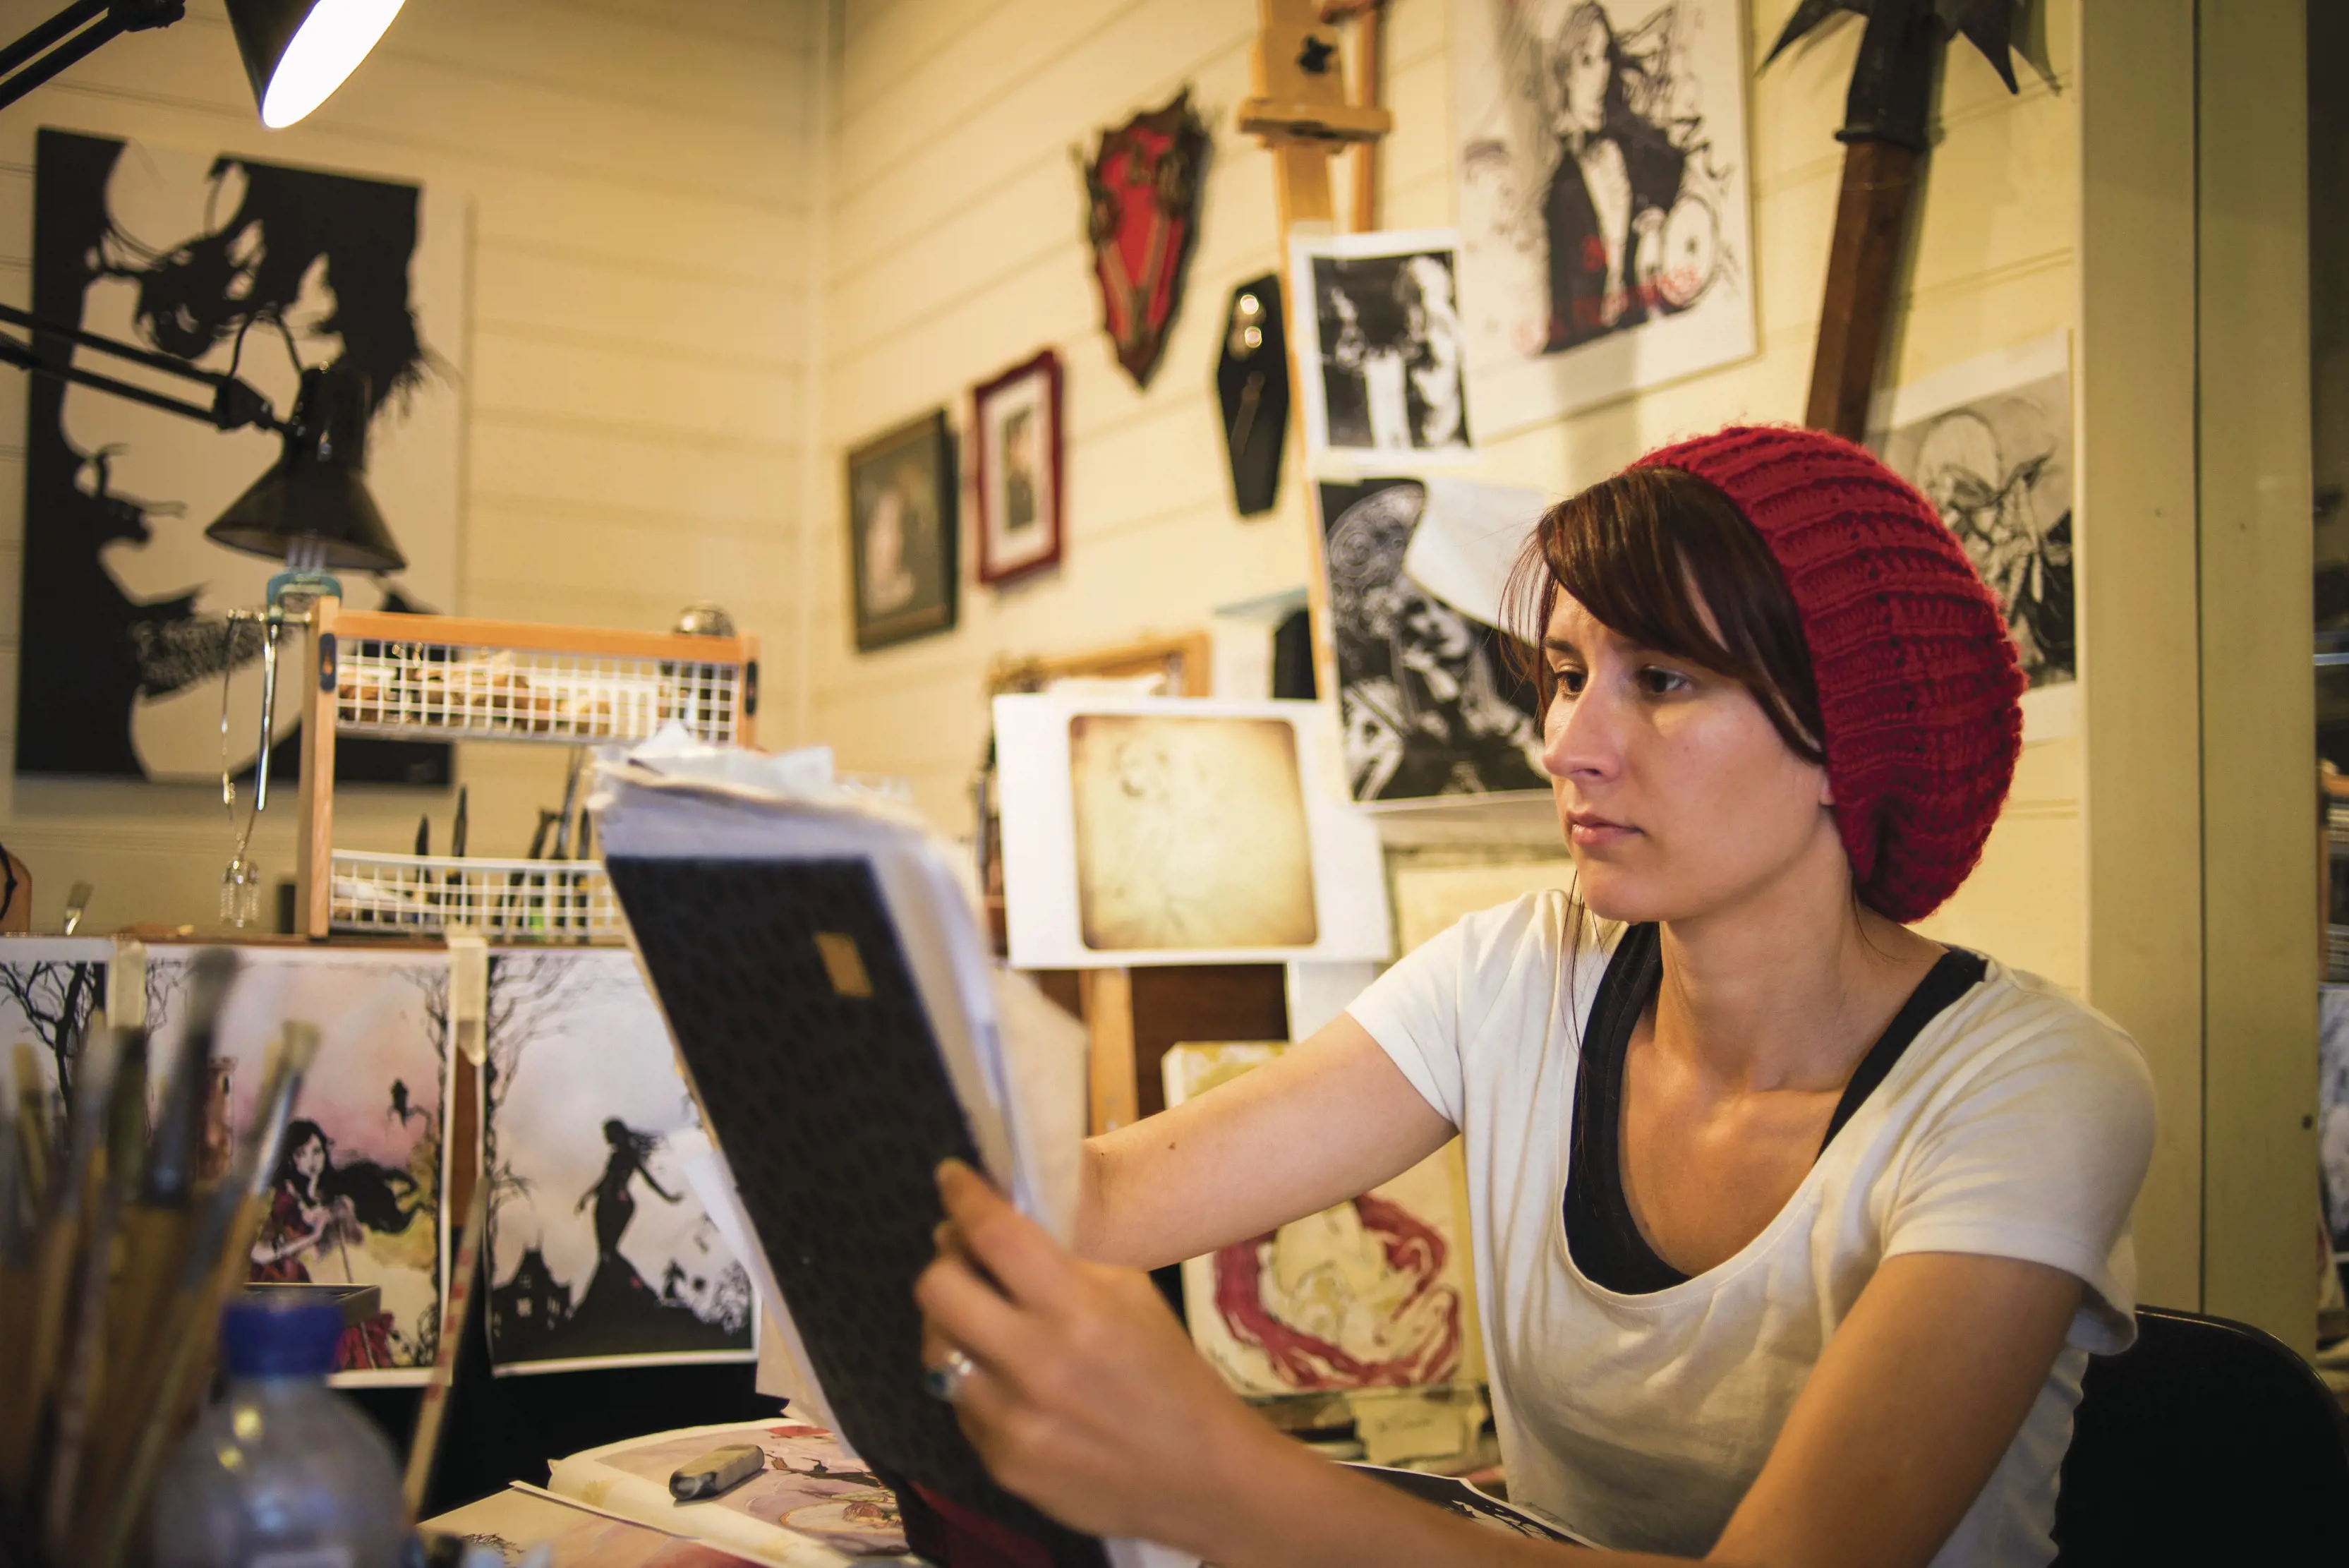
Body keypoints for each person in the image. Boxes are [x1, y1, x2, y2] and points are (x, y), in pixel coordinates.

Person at [915, 426, 2156, 1567]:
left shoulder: (2030, 1087)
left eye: (1660, 679)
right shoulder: (1512, 972)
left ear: (1852, 735)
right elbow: (1112, 1195)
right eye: (1566, 672)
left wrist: (1216, 1476)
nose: (1566, 740)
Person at [1541, 2, 1689, 351]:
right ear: (1565, 72)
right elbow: (1562, 305)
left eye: (1605, 55)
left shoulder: (1629, 145)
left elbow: (1671, 162)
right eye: (1586, 60)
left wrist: (1652, 222)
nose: (1600, 74)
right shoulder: (1561, 191)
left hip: (1658, 339)